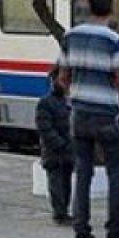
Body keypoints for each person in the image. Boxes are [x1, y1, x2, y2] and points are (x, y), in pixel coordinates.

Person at [58, 0, 119, 238]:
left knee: (83, 172)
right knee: (116, 173)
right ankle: (115, 230)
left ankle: (81, 230)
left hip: (79, 114)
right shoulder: (116, 41)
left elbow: (62, 78)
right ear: (111, 10)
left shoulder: (71, 36)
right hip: (107, 115)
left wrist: (74, 97)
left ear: (88, 9)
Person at [35, 66, 75, 225]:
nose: (66, 84)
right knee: (56, 183)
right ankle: (59, 213)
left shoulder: (68, 102)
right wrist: (59, 143)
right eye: (63, 80)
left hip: (68, 150)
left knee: (66, 184)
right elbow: (44, 127)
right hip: (54, 151)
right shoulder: (45, 103)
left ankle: (64, 211)